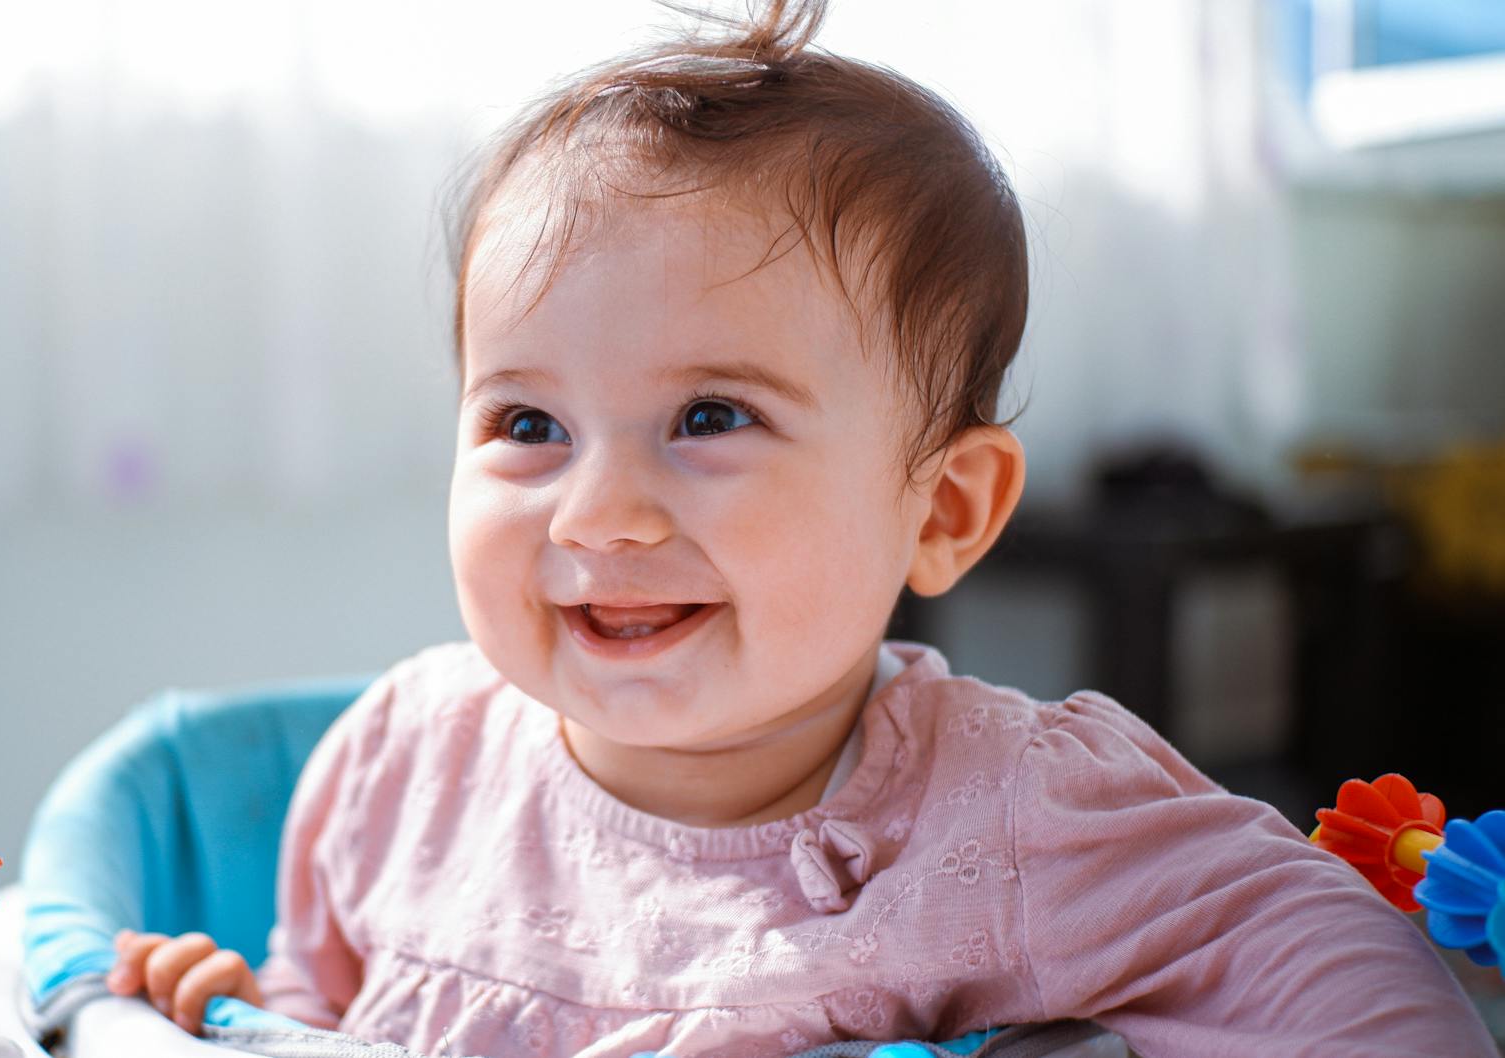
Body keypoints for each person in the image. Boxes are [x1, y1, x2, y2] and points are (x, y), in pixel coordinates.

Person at [100, 1, 1497, 1054]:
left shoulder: (1008, 811)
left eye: (711, 417)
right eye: (528, 426)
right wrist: (229, 1007)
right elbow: (318, 991)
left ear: (943, 508)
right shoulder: (399, 764)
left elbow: (1331, 958)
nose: (601, 509)